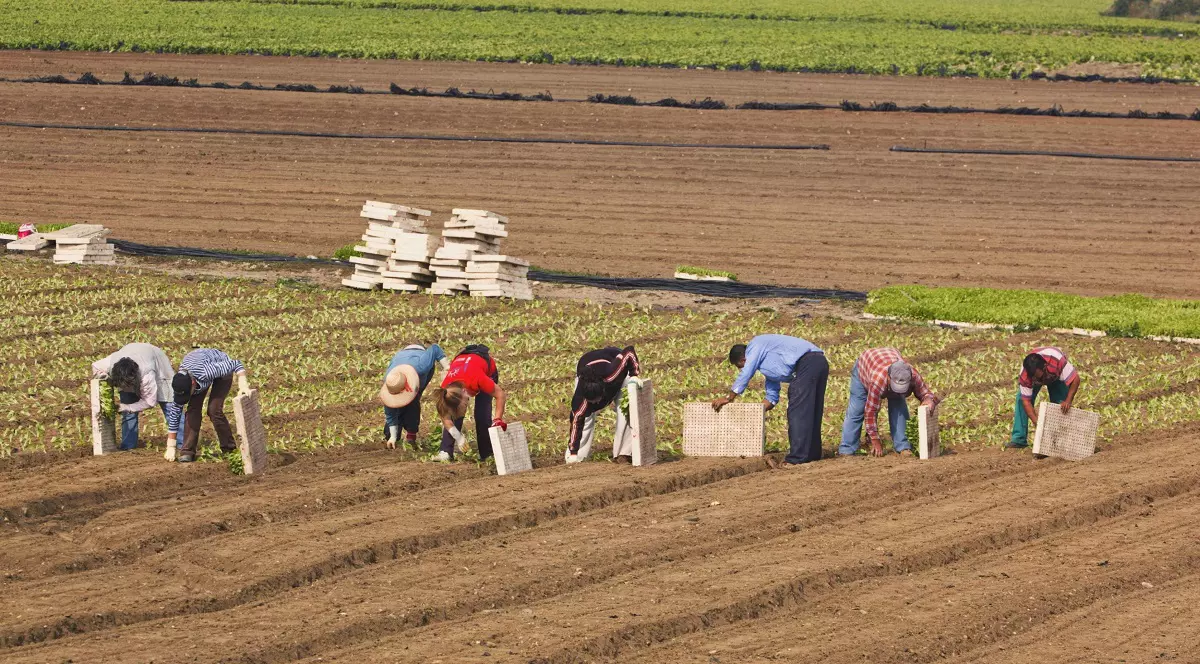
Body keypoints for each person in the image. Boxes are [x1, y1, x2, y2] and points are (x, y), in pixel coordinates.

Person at [712, 334, 828, 466]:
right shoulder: (768, 364)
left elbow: (747, 373)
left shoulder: (755, 345)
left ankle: (796, 459)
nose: (743, 368)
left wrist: (729, 397)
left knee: (797, 411)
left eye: (741, 366)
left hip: (810, 362)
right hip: (817, 364)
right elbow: (771, 396)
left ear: (743, 359)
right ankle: (812, 455)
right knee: (811, 410)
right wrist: (754, 413)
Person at [838, 347, 938, 458]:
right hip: (864, 366)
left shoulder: (913, 375)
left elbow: (926, 394)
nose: (899, 390)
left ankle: (903, 446)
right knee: (857, 409)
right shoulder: (877, 380)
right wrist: (875, 440)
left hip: (887, 358)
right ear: (889, 378)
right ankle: (847, 449)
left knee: (899, 406)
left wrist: (929, 400)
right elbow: (870, 411)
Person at [91, 343, 182, 451]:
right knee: (128, 411)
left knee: (171, 407)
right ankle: (128, 446)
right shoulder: (111, 364)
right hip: (131, 356)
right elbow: (95, 366)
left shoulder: (147, 374)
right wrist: (101, 375)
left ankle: (183, 444)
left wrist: (127, 407)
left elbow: (150, 402)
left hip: (157, 362)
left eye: (127, 386)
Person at [169, 348, 249, 463]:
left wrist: (243, 383)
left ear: (193, 383)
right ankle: (187, 451)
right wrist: (170, 446)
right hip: (198, 371)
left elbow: (236, 364)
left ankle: (229, 449)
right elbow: (175, 414)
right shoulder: (180, 383)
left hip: (219, 366)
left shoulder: (207, 371)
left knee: (214, 409)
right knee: (192, 410)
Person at [430, 345, 508, 462]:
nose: (463, 411)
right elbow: (445, 417)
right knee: (454, 417)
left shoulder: (478, 378)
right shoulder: (446, 390)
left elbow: (500, 395)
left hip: (486, 371)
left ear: (464, 396)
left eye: (462, 408)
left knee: (482, 414)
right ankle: (446, 451)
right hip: (465, 367)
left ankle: (486, 453)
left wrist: (498, 419)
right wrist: (459, 437)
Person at [566, 346, 642, 464]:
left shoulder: (612, 373)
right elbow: (576, 422)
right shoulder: (580, 399)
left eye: (597, 400)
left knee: (627, 407)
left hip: (611, 359)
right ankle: (576, 459)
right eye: (592, 402)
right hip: (586, 364)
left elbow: (629, 352)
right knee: (584, 418)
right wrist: (573, 453)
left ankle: (623, 454)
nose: (597, 404)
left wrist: (634, 375)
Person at [379, 343, 449, 449]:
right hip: (400, 358)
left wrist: (447, 367)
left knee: (413, 400)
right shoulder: (390, 382)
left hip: (417, 355)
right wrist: (392, 437)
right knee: (392, 428)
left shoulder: (422, 366)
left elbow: (435, 348)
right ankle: (395, 433)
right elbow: (390, 415)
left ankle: (411, 434)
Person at [1008, 346, 1080, 449]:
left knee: (1061, 405)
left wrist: (1068, 401)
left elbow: (1075, 380)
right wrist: (1036, 422)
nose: (1036, 379)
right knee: (1020, 400)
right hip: (1041, 375)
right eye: (1033, 376)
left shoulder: (1057, 361)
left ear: (1045, 366)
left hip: (1055, 376)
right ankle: (1019, 439)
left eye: (1038, 376)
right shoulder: (1026, 374)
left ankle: (1059, 441)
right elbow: (1026, 402)